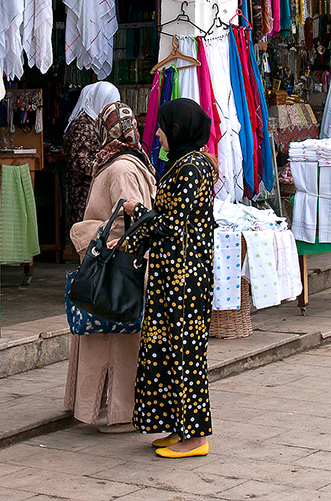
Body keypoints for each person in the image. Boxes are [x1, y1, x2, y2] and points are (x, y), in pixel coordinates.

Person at [116, 98, 216, 459]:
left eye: (162, 127)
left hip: (184, 281)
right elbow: (167, 218)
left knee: (186, 355)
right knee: (168, 352)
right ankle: (178, 427)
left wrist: (135, 211)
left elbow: (170, 225)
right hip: (170, 276)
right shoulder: (182, 164)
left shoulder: (192, 168)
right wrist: (127, 241)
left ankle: (195, 437)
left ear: (179, 129)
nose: (156, 134)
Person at [65, 101, 156, 433]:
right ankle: (107, 408)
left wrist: (86, 232)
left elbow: (130, 221)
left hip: (114, 271)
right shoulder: (128, 162)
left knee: (113, 343)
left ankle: (121, 413)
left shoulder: (121, 169)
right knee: (106, 340)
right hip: (116, 268)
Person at [63, 82, 121, 228]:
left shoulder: (95, 123)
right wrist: (109, 167)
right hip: (85, 194)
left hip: (95, 193)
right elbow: (80, 164)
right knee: (87, 236)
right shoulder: (82, 126)